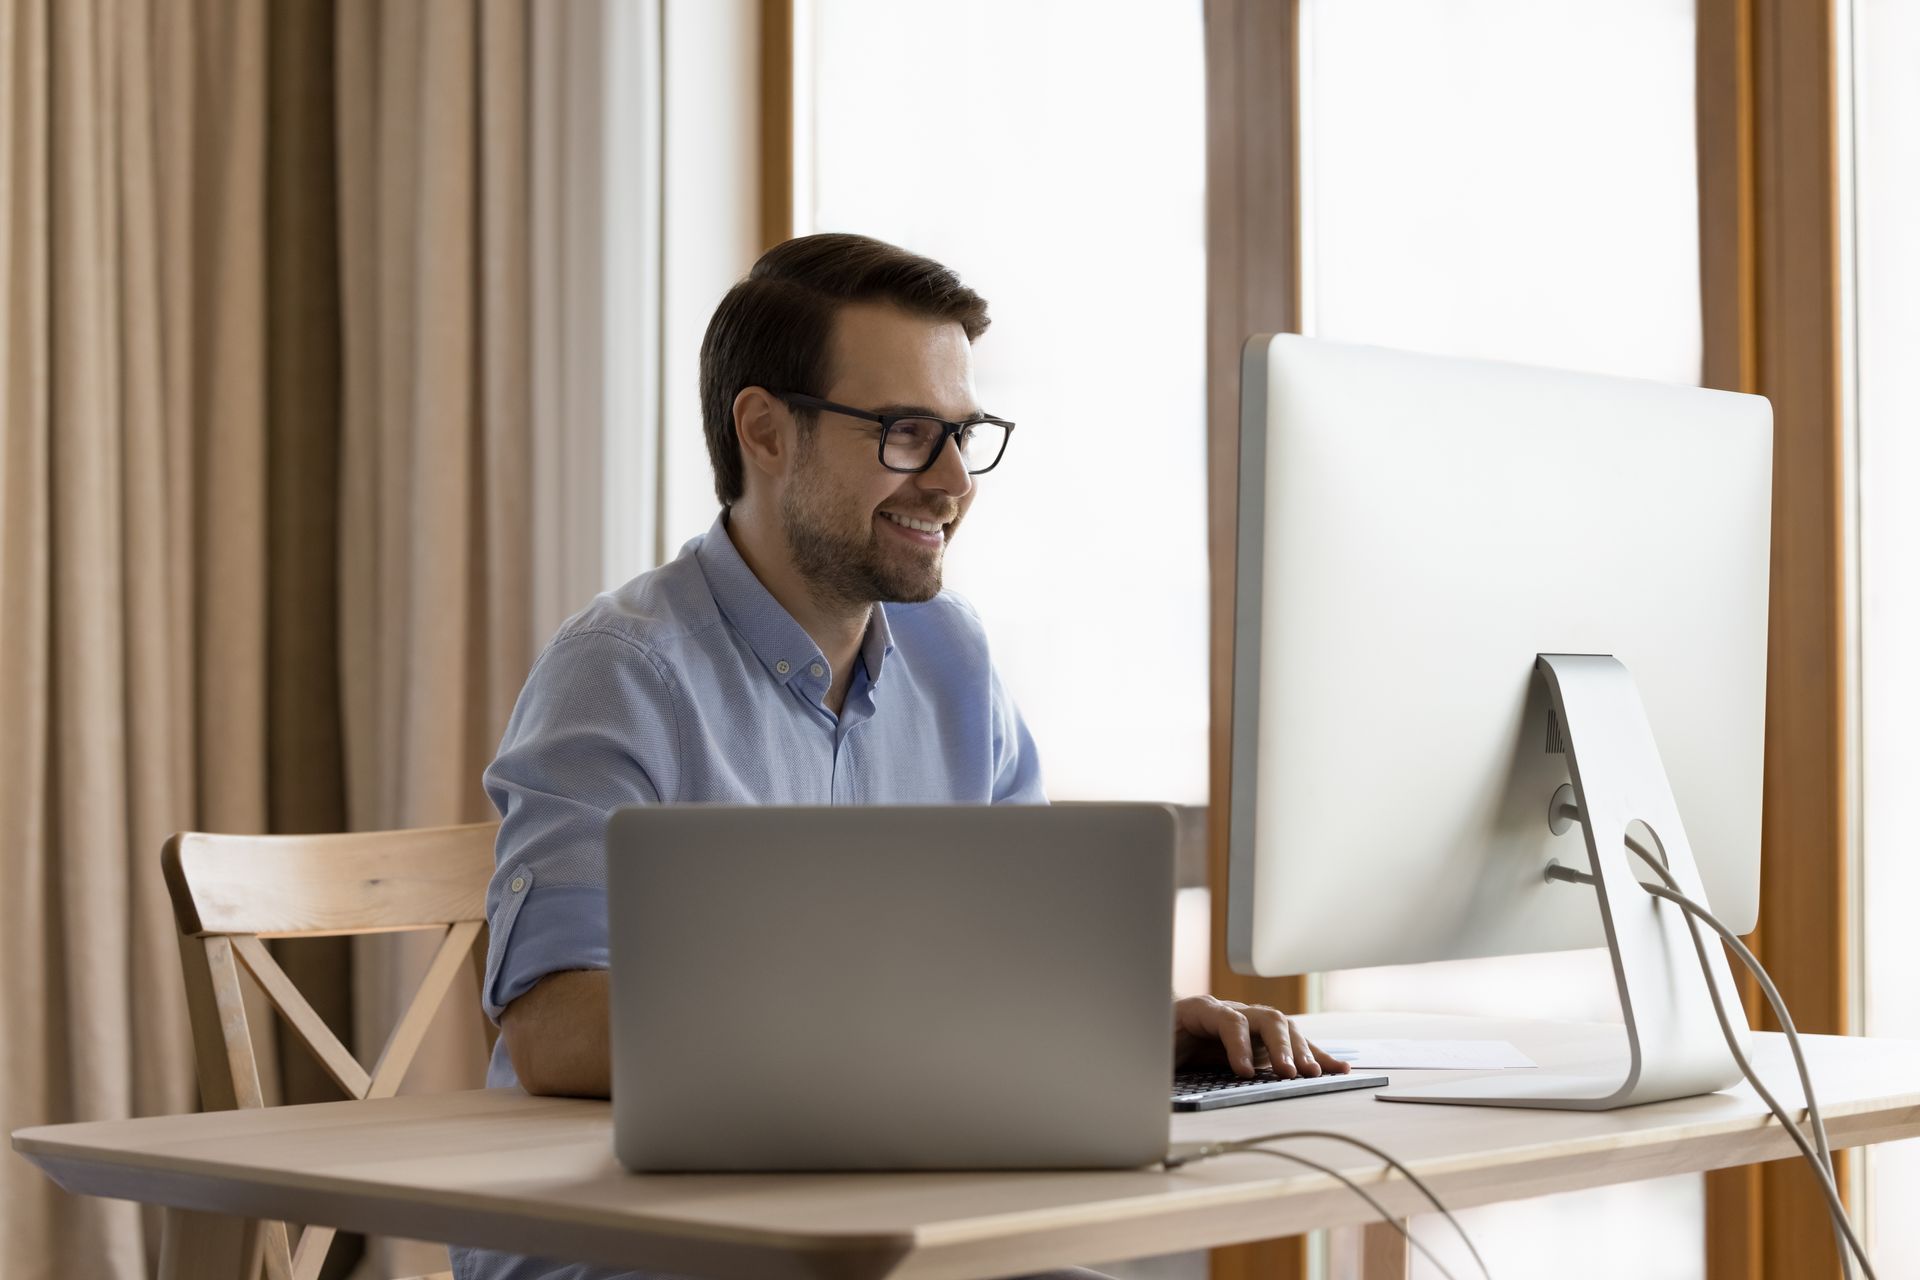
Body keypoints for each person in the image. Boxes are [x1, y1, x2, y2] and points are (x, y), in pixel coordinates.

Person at [452, 233, 1346, 1280]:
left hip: (893, 1221)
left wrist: (1124, 1025)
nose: (954, 481)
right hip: (638, 1245)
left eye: (964, 434)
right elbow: (558, 1030)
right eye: (908, 433)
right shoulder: (623, 670)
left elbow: (1023, 965)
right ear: (764, 430)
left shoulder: (951, 658)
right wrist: (911, 1043)